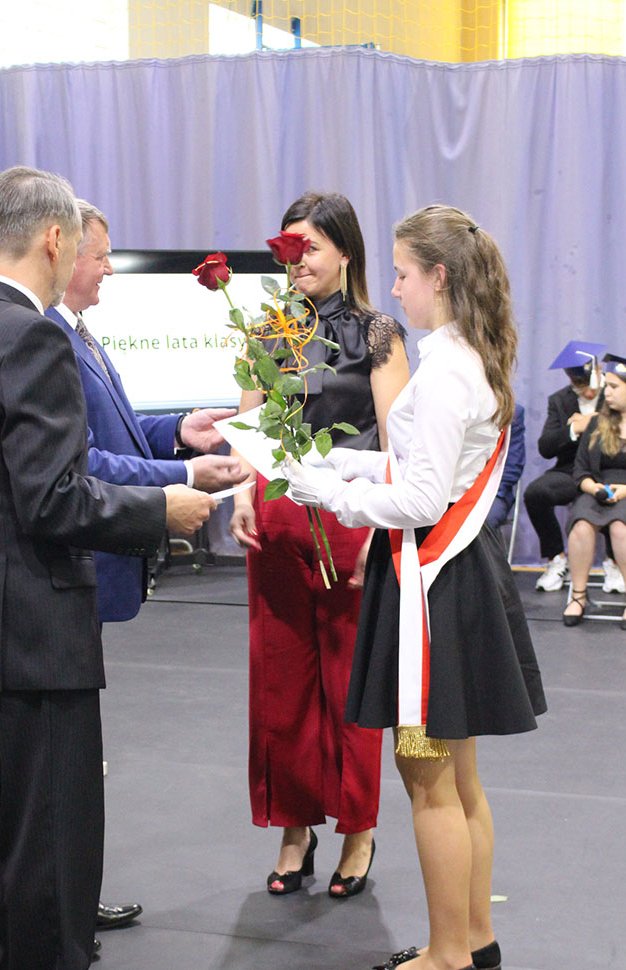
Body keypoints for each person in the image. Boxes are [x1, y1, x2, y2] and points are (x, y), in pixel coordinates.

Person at [0, 166, 214, 970]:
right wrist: (161, 509)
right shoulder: (33, 337)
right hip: (35, 629)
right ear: (53, 237)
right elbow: (53, 499)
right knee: (50, 836)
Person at [284, 204, 546, 970]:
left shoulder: (445, 372)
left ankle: (445, 955)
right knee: (459, 778)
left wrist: (332, 493)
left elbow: (424, 499)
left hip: (431, 584)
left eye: (402, 273)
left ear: (439, 275)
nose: (393, 288)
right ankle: (475, 935)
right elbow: (436, 471)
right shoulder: (472, 357)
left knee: (426, 775)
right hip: (461, 578)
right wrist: (358, 468)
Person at [46, 200, 246, 933]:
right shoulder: (48, 337)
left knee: (76, 748)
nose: (108, 269)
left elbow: (115, 432)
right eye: (101, 256)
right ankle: (62, 901)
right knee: (63, 751)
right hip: (74, 559)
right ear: (63, 252)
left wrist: (179, 431)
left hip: (90, 561)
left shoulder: (78, 332)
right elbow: (84, 463)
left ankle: (70, 892)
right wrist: (181, 478)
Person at [229, 191, 409, 897]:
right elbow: (250, 425)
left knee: (348, 682)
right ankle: (294, 829)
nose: (296, 258)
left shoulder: (380, 333)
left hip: (350, 520)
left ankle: (358, 830)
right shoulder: (265, 328)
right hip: (277, 519)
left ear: (344, 251)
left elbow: (397, 443)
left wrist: (383, 525)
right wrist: (243, 492)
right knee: (280, 684)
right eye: (288, 246)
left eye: (309, 245)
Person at [524, 342, 622, 593]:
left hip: (608, 469)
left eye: (590, 385)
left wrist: (591, 421)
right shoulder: (559, 400)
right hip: (570, 471)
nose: (587, 392)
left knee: (611, 496)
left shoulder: (615, 392)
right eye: (579, 386)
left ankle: (614, 563)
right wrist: (573, 429)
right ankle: (556, 558)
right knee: (536, 493)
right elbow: (546, 447)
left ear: (598, 372)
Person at [562, 353, 626, 629]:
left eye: (614, 387)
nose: (607, 393)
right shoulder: (595, 423)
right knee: (581, 525)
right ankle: (578, 596)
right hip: (598, 489)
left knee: (620, 527)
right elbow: (580, 470)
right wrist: (593, 488)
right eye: (607, 386)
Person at [485, 403, 525, 533]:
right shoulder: (458, 409)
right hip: (457, 490)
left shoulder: (512, 412)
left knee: (483, 521)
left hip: (494, 491)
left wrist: (490, 491)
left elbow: (512, 467)